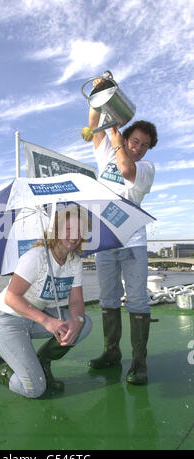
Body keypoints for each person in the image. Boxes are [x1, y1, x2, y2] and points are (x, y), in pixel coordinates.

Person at [0, 205, 92, 398]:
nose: (74, 236)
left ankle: (42, 363)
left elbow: (76, 301)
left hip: (35, 317)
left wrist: (75, 321)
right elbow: (11, 298)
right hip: (10, 320)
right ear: (57, 230)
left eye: (79, 231)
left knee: (84, 324)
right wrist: (48, 321)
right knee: (34, 389)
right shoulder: (36, 257)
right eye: (69, 229)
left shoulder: (74, 262)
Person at [88, 76, 158, 385]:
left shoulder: (146, 168)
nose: (140, 148)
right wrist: (100, 91)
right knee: (108, 299)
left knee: (138, 300)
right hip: (105, 240)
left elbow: (127, 170)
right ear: (128, 137)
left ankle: (139, 362)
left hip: (133, 242)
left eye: (145, 145)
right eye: (136, 142)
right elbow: (93, 123)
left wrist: (120, 144)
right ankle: (111, 352)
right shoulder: (106, 153)